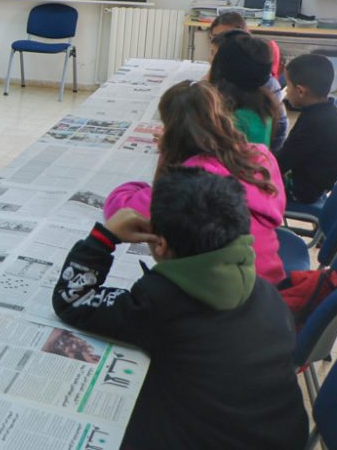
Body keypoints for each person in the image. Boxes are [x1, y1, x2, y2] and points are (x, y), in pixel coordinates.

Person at [54, 167, 308, 449]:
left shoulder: (160, 301)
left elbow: (73, 299)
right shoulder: (265, 291)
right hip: (283, 436)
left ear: (159, 244)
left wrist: (104, 237)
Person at [104, 80, 286, 285]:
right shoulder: (261, 155)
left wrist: (165, 156)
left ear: (171, 130)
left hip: (228, 293)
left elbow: (120, 210)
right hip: (270, 282)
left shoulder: (190, 177)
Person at [208, 12, 288, 149]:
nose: (210, 60)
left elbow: (215, 152)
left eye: (215, 55)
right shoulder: (260, 99)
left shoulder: (237, 117)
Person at [277, 53, 337, 203]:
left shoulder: (314, 123)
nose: (286, 92)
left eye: (288, 87)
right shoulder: (329, 111)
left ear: (301, 91)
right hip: (316, 183)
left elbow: (280, 164)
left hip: (302, 190)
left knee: (244, 182)